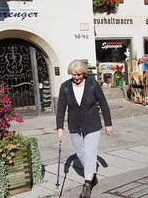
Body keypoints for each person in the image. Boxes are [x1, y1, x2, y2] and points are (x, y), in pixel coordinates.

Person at [56, 60, 113, 198]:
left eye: (79, 75)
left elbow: (103, 104)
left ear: (84, 73)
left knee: (90, 153)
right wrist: (59, 128)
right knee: (81, 153)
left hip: (92, 124)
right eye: (73, 75)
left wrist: (108, 123)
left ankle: (87, 186)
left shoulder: (93, 84)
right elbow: (61, 109)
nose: (76, 78)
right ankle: (92, 176)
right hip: (74, 125)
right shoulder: (65, 87)